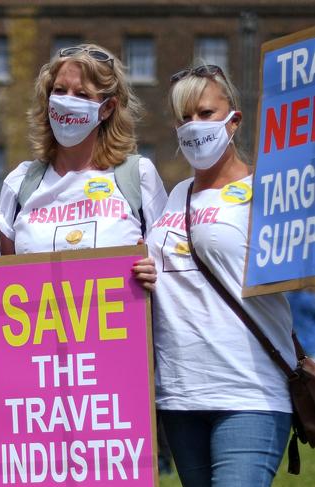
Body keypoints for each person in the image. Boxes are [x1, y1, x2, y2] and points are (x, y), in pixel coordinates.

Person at [146, 64, 295, 486]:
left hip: (249, 389)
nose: (194, 126)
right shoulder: (175, 196)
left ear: (235, 119)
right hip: (180, 393)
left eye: (206, 113)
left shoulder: (268, 192)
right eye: (184, 117)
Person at [0, 43, 166, 316]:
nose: (67, 100)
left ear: (108, 108)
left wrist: (155, 273)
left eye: (82, 94)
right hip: (38, 352)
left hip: (118, 351)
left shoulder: (138, 176)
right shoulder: (20, 183)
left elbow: (171, 273)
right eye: (60, 91)